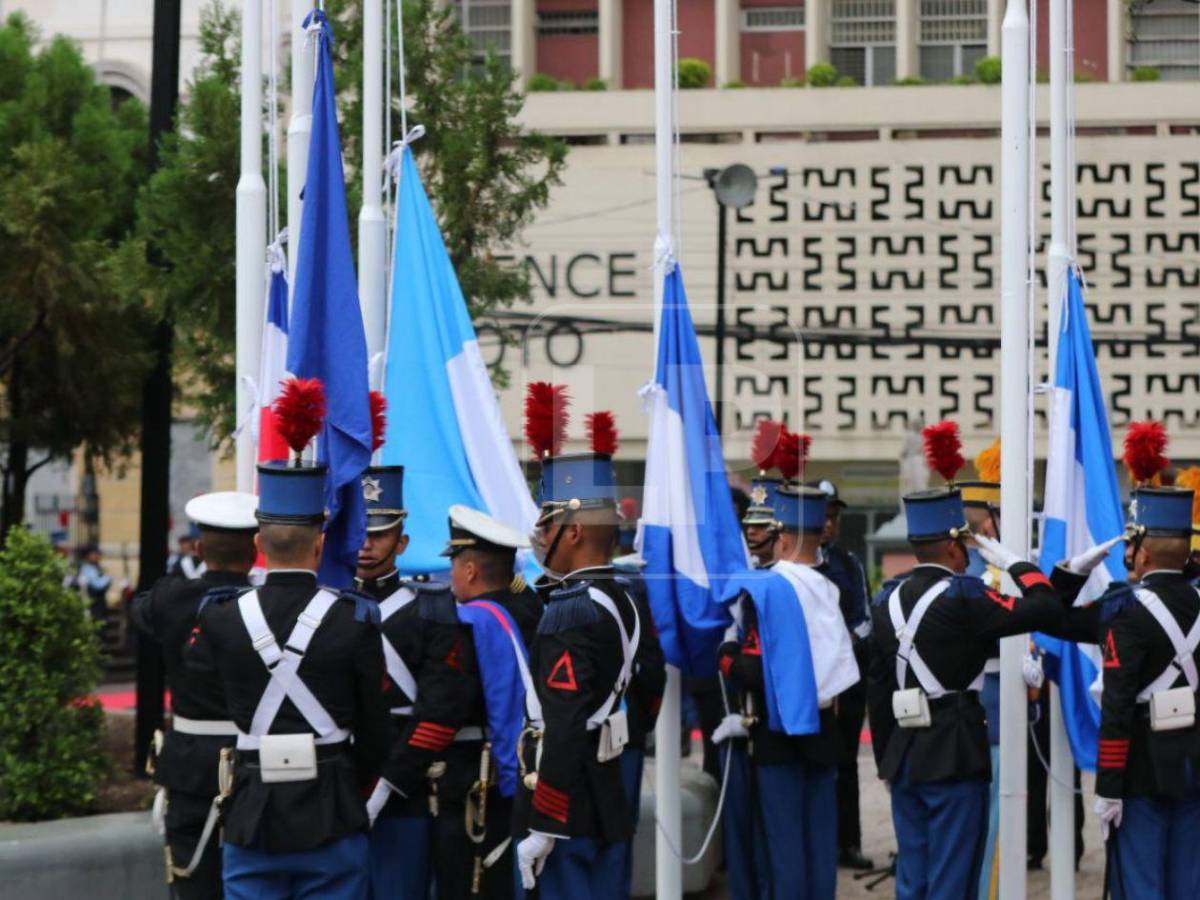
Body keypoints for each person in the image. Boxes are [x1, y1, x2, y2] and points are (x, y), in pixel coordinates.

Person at [865, 485, 1106, 900]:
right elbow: (1043, 611)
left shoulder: (886, 600)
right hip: (954, 753)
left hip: (904, 756)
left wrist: (888, 760)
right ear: (954, 546)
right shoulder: (963, 596)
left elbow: (877, 684)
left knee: (912, 879)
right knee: (953, 879)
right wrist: (1016, 565)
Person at [187, 458, 390, 900]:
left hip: (251, 810)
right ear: (320, 544)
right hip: (332, 807)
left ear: (259, 542)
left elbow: (209, 698)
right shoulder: (354, 619)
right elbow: (377, 732)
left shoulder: (221, 618)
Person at [514, 439, 645, 900]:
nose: (540, 539)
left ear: (572, 533)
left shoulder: (569, 613)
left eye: (546, 527)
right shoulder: (624, 597)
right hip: (606, 789)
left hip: (567, 805)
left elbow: (564, 724)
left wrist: (544, 824)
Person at [718, 483, 858, 900]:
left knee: (782, 853)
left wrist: (725, 654)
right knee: (818, 849)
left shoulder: (768, 589)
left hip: (776, 736)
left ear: (782, 539)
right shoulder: (831, 588)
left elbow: (755, 669)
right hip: (824, 732)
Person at [133, 491, 258, 899]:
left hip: (189, 760)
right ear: (255, 551)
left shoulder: (170, 598)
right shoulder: (266, 604)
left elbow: (143, 611)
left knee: (191, 879)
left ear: (200, 549)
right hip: (255, 760)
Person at [1092, 485, 1200, 899]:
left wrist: (1108, 786)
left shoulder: (1127, 612)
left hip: (1142, 767)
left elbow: (1117, 705)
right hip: (1193, 761)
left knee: (1140, 886)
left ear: (1145, 553)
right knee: (1187, 884)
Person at [435, 504, 539, 899]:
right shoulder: (528, 606)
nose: (450, 575)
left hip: (481, 772)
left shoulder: (478, 619)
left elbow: (500, 699)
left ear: (470, 571)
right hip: (520, 770)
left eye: (454, 565)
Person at [349, 463, 435, 900]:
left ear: (401, 542)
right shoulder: (330, 607)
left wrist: (390, 782)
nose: (366, 545)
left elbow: (436, 707)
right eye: (361, 532)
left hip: (404, 779)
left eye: (379, 535)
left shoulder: (426, 611)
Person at [813, 478, 875, 872]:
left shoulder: (848, 564)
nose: (830, 525)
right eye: (823, 517)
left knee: (847, 763)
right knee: (816, 765)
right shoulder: (798, 565)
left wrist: (845, 641)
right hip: (813, 682)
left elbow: (865, 618)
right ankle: (820, 842)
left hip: (846, 679)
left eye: (834, 517)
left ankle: (848, 842)